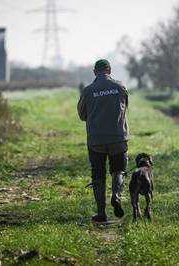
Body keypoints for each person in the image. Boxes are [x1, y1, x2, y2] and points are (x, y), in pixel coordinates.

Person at [77, 59, 129, 223]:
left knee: (98, 174)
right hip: (118, 138)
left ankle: (101, 213)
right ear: (110, 70)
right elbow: (125, 107)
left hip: (96, 140)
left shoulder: (88, 91)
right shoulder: (120, 87)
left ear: (94, 72)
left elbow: (81, 115)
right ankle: (116, 196)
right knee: (118, 170)